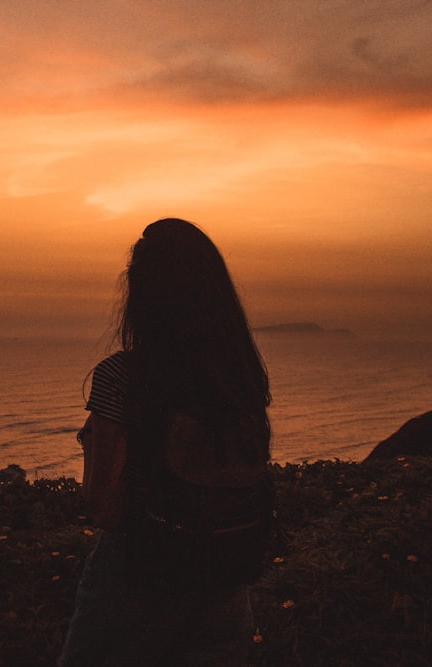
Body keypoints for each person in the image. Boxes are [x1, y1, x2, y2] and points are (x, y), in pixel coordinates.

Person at [59, 218, 272, 666]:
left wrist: (90, 442)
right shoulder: (242, 378)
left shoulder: (123, 378)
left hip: (139, 577)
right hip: (226, 581)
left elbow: (104, 507)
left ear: (143, 297)